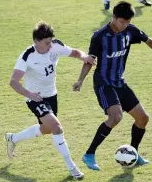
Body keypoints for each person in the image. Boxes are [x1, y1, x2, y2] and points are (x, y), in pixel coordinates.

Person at [73, 1, 152, 171]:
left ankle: (133, 153)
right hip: (104, 83)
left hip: (120, 82)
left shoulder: (130, 30)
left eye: (127, 22)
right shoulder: (99, 36)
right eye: (122, 22)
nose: (124, 25)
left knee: (143, 118)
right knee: (116, 117)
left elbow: (148, 40)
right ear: (114, 17)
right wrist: (80, 80)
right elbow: (90, 60)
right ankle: (89, 154)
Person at [5, 21, 95, 178]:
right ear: (36, 42)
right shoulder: (27, 56)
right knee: (56, 127)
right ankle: (72, 167)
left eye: (50, 42)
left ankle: (13, 138)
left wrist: (84, 57)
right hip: (35, 98)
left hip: (52, 96)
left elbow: (75, 52)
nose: (50, 46)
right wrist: (29, 94)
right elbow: (13, 81)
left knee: (47, 129)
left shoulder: (55, 45)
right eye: (46, 43)